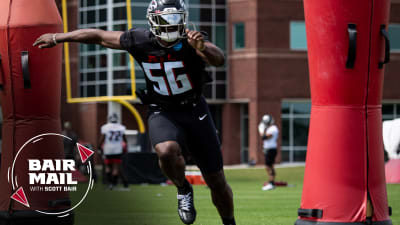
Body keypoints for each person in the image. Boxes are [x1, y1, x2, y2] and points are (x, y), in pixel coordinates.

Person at [33, 1, 235, 224]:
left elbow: (219, 59)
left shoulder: (191, 40)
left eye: (175, 19)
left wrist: (202, 48)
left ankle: (229, 222)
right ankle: (183, 188)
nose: (170, 26)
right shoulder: (139, 40)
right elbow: (99, 35)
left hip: (195, 110)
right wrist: (57, 37)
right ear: (152, 21)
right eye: (165, 21)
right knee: (166, 151)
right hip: (163, 110)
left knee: (216, 180)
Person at [98, 113, 129, 190]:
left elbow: (102, 139)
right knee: (116, 168)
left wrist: (99, 147)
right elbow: (125, 139)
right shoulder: (121, 127)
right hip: (118, 149)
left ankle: (110, 184)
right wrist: (126, 147)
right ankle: (114, 184)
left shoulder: (105, 127)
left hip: (108, 149)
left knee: (108, 167)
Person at [258, 114, 279, 191]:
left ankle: (271, 183)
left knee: (268, 166)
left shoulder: (273, 128)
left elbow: (264, 137)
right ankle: (271, 182)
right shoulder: (269, 128)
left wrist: (260, 130)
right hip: (268, 149)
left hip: (271, 149)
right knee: (270, 166)